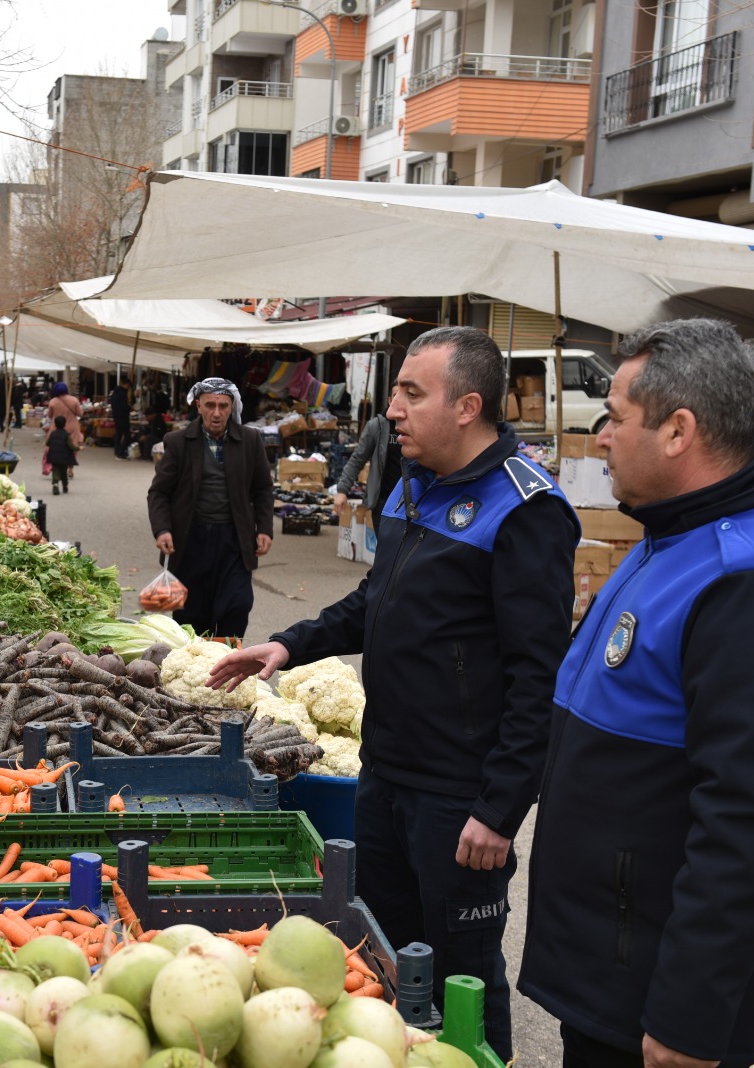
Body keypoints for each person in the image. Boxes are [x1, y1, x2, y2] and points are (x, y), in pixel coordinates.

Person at [207, 327, 579, 1062]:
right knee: (383, 955)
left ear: (467, 406)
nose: (393, 410)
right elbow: (375, 601)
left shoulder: (525, 509)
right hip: (385, 775)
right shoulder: (413, 483)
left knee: (463, 977)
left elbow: (541, 676)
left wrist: (499, 809)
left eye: (412, 393)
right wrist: (290, 643)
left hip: (458, 798)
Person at [517, 319, 754, 1068]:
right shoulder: (671, 540)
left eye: (616, 417)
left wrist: (687, 1019)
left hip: (654, 1008)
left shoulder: (752, 588)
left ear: (678, 431)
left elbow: (750, 824)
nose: (602, 436)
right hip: (609, 972)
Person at [147, 378, 275, 642]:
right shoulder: (178, 442)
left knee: (237, 605)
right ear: (198, 406)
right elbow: (159, 492)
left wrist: (264, 529)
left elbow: (263, 489)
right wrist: (162, 529)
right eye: (210, 405)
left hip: (234, 540)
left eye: (223, 406)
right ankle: (195, 661)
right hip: (192, 540)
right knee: (192, 615)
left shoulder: (250, 440)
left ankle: (228, 658)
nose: (216, 413)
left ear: (231, 407)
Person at [332, 410, 400, 520]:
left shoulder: (415, 425)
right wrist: (342, 491)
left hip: (411, 503)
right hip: (382, 503)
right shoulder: (376, 426)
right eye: (393, 399)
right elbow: (357, 459)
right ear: (389, 401)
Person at [45, 415, 77, 495]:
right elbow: (71, 446)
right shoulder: (67, 435)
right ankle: (65, 485)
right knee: (63, 472)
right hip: (64, 457)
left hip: (53, 456)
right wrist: (78, 448)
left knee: (55, 471)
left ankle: (55, 485)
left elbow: (47, 443)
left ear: (55, 424)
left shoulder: (52, 434)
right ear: (65, 424)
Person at [46, 381, 84, 448]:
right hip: (72, 427)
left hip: (57, 427)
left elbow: (50, 415)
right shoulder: (74, 400)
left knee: (58, 446)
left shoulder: (53, 402)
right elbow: (80, 414)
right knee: (73, 445)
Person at [110, 378, 133, 459]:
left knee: (118, 434)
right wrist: (129, 407)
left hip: (116, 416)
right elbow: (124, 406)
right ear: (127, 385)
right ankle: (121, 452)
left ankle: (117, 451)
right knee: (127, 436)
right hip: (123, 417)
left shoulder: (114, 393)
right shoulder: (123, 394)